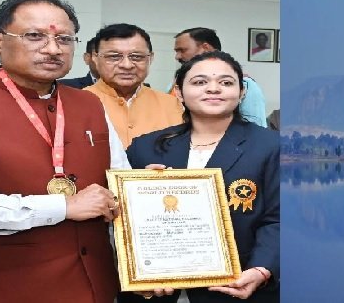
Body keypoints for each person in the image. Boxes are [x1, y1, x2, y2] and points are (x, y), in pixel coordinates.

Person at [0, 0, 129, 303]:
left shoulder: (90, 104)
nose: (53, 49)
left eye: (65, 39)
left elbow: (117, 176)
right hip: (5, 287)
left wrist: (142, 189)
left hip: (96, 284)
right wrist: (63, 207)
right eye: (34, 36)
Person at [125, 51, 279, 303]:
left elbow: (280, 219)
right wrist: (139, 194)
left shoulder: (272, 146)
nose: (214, 89)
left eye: (226, 82)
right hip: (156, 290)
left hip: (237, 286)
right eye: (199, 82)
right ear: (178, 92)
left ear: (241, 92)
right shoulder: (145, 148)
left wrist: (261, 269)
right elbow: (124, 221)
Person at [85, 23, 183, 148]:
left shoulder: (172, 105)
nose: (127, 65)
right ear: (95, 57)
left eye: (136, 57)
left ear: (150, 58)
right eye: (114, 57)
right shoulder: (76, 104)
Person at [173, 27, 268, 127]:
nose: (177, 56)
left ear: (206, 48)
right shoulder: (176, 83)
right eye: (199, 82)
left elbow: (256, 129)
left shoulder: (246, 84)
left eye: (182, 50)